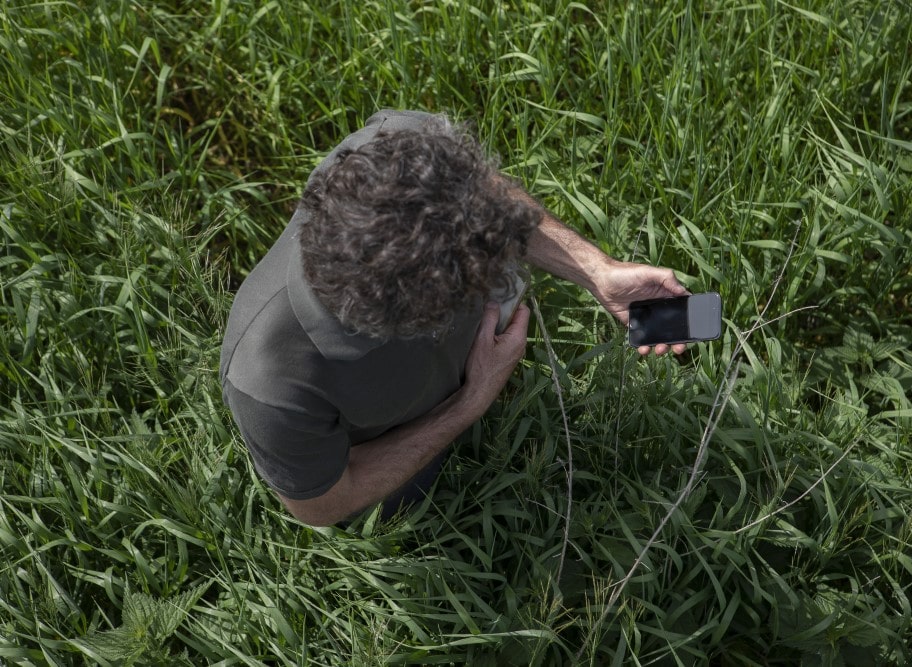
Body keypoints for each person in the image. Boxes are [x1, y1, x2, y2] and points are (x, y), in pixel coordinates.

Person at [219, 109, 688, 527]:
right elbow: (323, 505)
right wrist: (473, 399)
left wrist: (595, 270)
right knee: (427, 516)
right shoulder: (269, 385)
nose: (503, 285)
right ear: (409, 324)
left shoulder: (402, 153)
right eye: (473, 291)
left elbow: (488, 197)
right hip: (399, 474)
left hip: (452, 363)